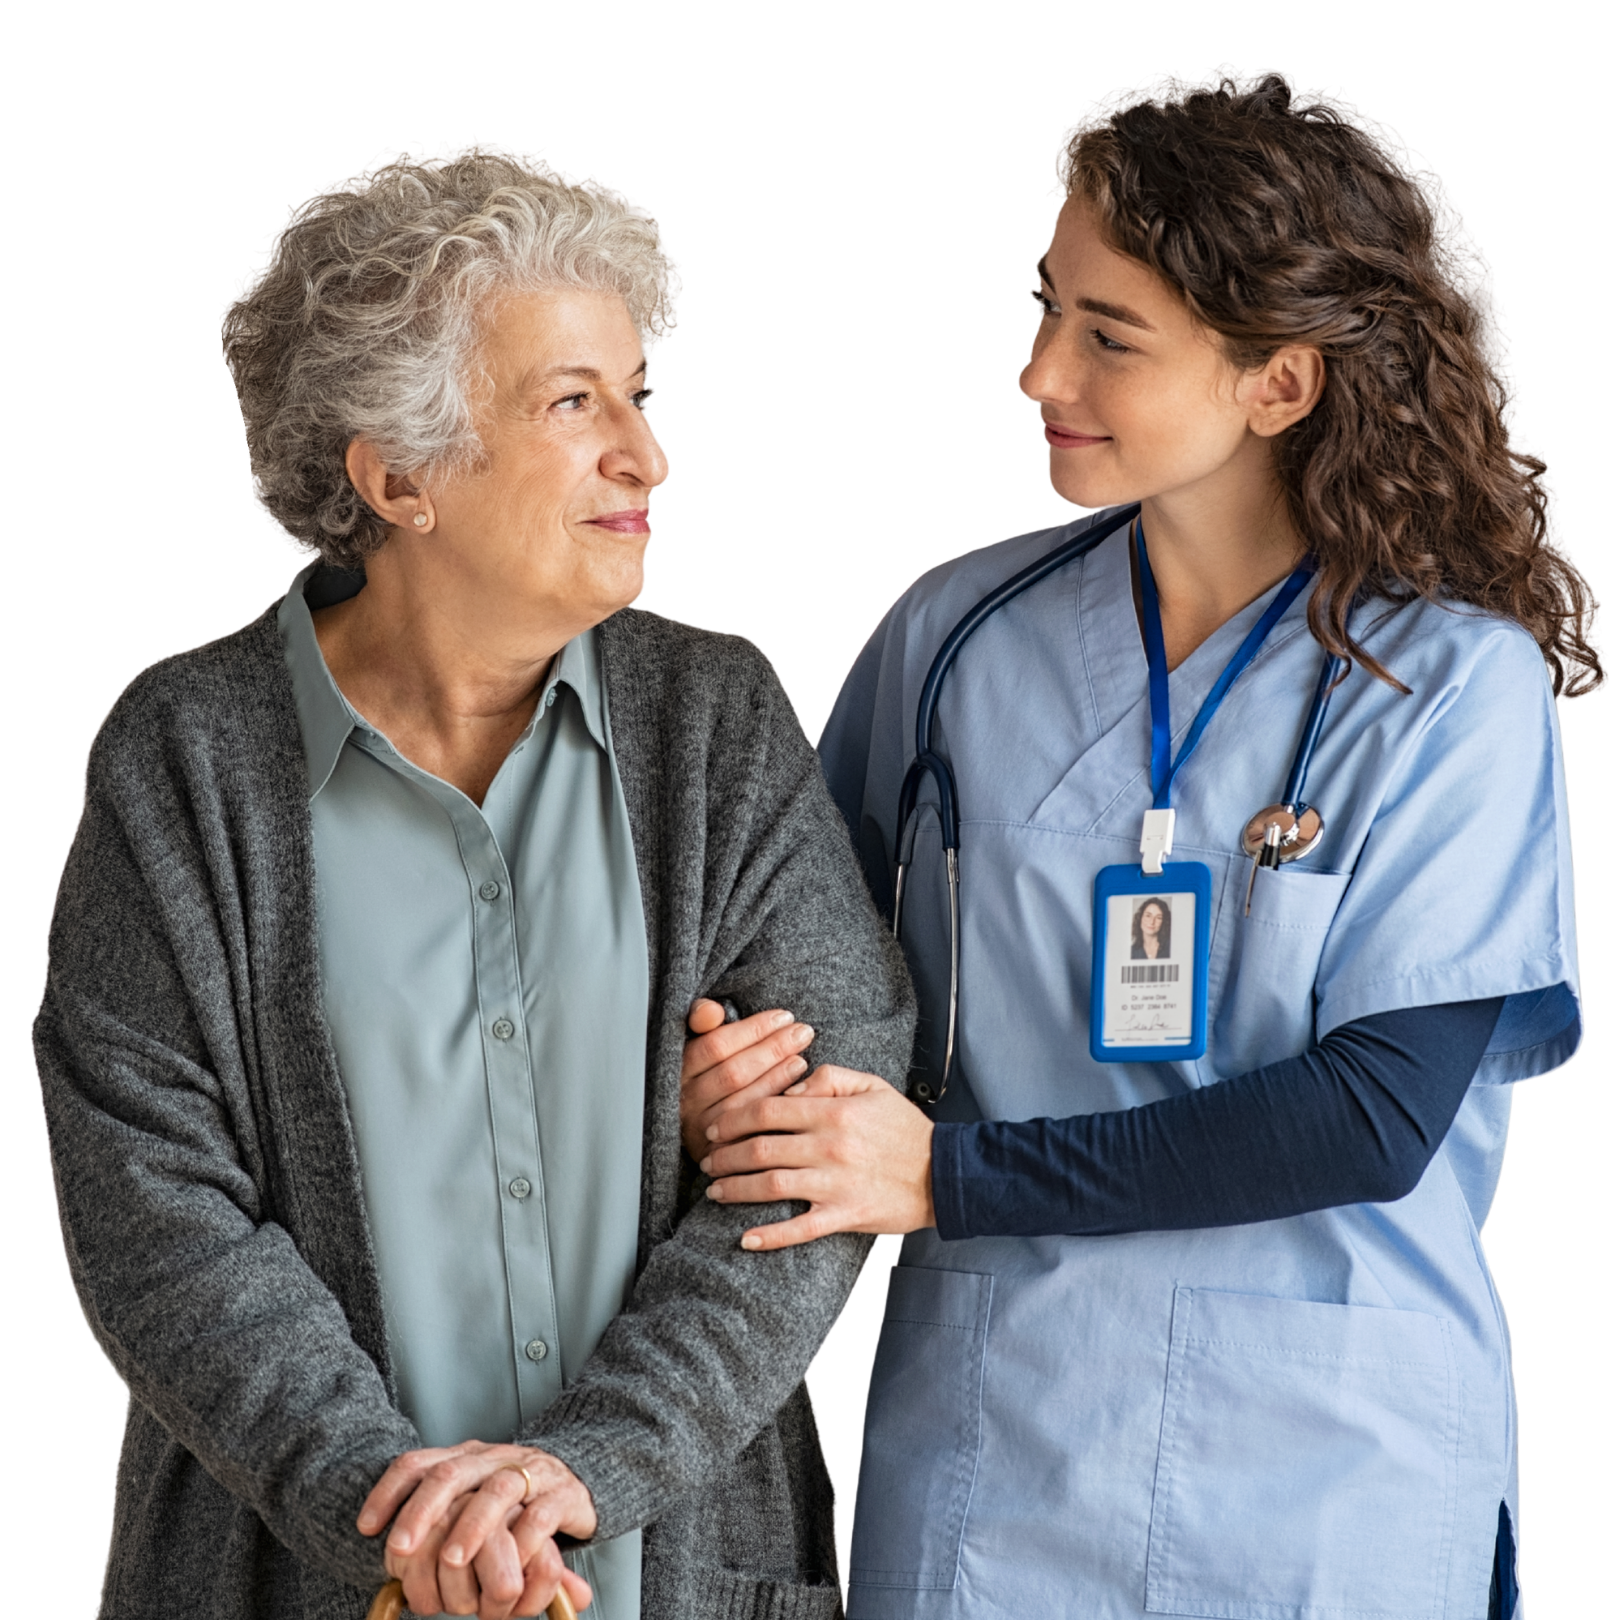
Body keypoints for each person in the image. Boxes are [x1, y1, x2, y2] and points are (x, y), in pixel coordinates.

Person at [679, 71, 1596, 1618]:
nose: (1039, 368)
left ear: (1280, 384)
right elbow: (799, 974)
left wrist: (945, 1178)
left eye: (1111, 335)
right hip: (999, 1448)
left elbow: (1373, 1116)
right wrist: (745, 1071)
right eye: (1047, 309)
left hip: (1330, 1470)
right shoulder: (951, 639)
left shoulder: (1452, 687)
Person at [33, 144, 913, 1620]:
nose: (648, 455)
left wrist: (585, 1473)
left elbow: (817, 1151)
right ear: (397, 474)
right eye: (575, 403)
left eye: (640, 396)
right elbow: (153, 1212)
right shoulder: (181, 755)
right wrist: (400, 1521)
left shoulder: (715, 717)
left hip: (674, 1577)